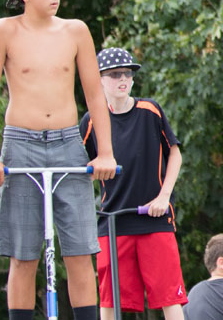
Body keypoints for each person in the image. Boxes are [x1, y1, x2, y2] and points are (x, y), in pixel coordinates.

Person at [0, 0, 117, 320]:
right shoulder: (4, 31)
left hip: (68, 144)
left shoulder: (75, 30)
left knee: (81, 251)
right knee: (23, 255)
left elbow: (94, 95)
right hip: (21, 144)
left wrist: (105, 152)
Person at [80, 47, 188, 319]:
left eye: (128, 73)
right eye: (115, 74)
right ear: (99, 79)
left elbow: (175, 153)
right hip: (113, 220)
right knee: (110, 300)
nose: (123, 79)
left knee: (169, 297)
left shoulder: (150, 110)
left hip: (154, 217)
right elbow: (82, 170)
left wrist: (164, 197)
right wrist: (93, 170)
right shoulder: (91, 121)